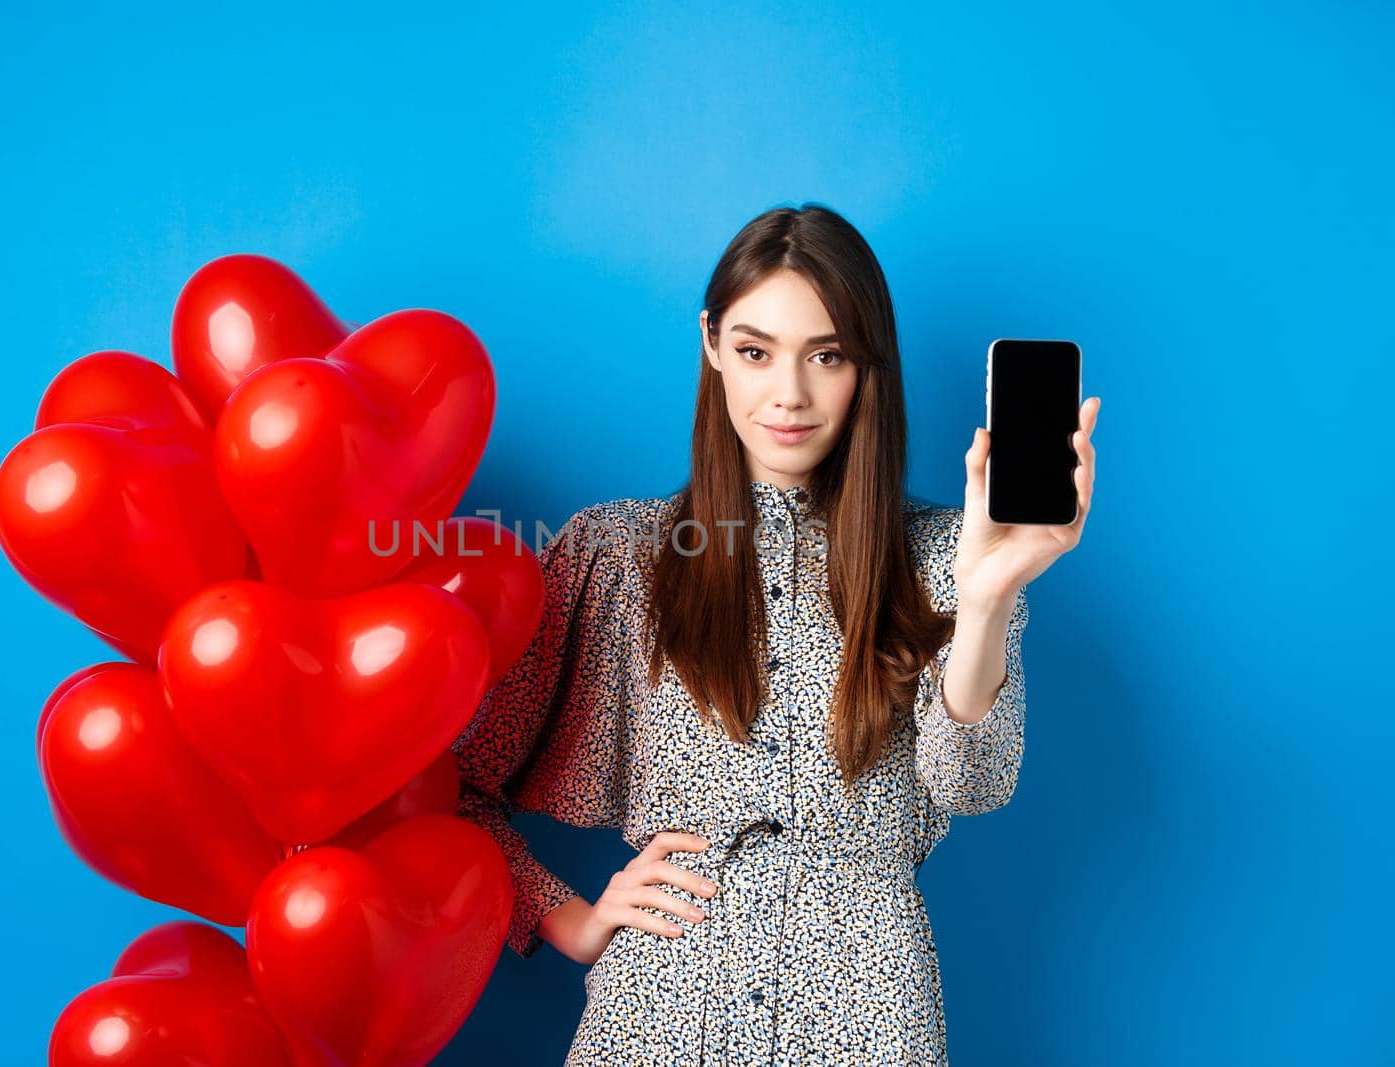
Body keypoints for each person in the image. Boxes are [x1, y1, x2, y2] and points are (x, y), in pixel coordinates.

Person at [450, 203, 1100, 1065]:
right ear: (711, 344)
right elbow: (451, 786)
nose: (788, 394)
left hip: (867, 1017)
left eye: (825, 356)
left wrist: (983, 602)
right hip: (659, 1018)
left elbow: (970, 782)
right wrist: (568, 920)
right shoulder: (619, 555)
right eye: (755, 351)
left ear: (867, 365)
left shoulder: (951, 556)